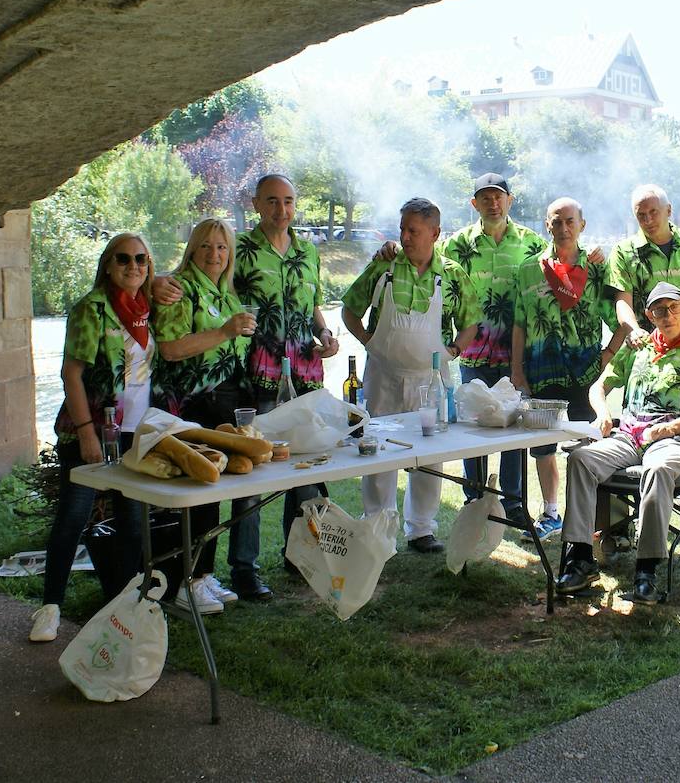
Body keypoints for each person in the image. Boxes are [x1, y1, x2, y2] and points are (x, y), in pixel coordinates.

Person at [155, 174, 339, 599]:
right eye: (272, 201)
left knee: (305, 463)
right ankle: (244, 568)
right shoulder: (239, 249)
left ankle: (301, 555)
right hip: (253, 376)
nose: (282, 210)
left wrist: (325, 334)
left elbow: (313, 307)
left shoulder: (309, 250)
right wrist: (156, 281)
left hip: (305, 373)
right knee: (251, 468)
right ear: (257, 204)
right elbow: (203, 277)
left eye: (289, 201)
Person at [556, 282, 680, 605]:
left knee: (658, 468)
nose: (667, 316)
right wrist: (603, 413)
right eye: (659, 310)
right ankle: (580, 558)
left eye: (674, 307)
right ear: (649, 315)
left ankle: (646, 570)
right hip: (629, 436)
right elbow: (599, 386)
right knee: (581, 459)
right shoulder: (638, 348)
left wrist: (670, 428)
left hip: (676, 439)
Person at [29, 234, 151, 642]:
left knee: (133, 522)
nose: (133, 266)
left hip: (134, 432)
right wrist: (85, 432)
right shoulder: (91, 309)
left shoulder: (147, 310)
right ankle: (50, 609)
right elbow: (71, 373)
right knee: (73, 518)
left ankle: (123, 603)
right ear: (107, 264)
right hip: (93, 430)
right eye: (123, 259)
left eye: (141, 259)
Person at [342, 197, 478, 553]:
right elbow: (349, 309)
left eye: (413, 231)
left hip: (430, 381)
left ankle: (421, 530)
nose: (404, 237)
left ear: (434, 233)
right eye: (402, 228)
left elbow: (471, 321)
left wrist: (455, 350)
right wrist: (367, 340)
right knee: (379, 450)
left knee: (430, 454)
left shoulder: (451, 274)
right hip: (383, 377)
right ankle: (378, 529)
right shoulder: (384, 267)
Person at [153, 218, 256, 614]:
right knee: (197, 494)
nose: (215, 254)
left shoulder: (224, 292)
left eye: (222, 247)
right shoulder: (181, 290)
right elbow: (171, 348)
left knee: (212, 492)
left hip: (223, 403)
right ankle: (182, 582)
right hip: (190, 404)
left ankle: (203, 574)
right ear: (192, 250)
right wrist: (227, 332)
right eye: (207, 246)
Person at [510, 198, 628, 542]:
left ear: (582, 225)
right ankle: (550, 514)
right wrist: (518, 370)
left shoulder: (598, 269)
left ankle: (595, 520)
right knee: (542, 448)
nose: (563, 228)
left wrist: (608, 355)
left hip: (585, 376)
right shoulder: (530, 269)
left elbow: (620, 316)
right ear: (547, 225)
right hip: (541, 373)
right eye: (556, 222)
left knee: (590, 447)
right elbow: (519, 323)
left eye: (570, 221)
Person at [441, 173, 546, 524]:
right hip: (473, 352)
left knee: (515, 425)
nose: (493, 203)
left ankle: (513, 502)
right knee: (476, 424)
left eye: (498, 196)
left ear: (510, 200)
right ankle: (475, 498)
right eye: (484, 197)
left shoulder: (532, 244)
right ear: (475, 204)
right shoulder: (457, 246)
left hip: (516, 353)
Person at [609, 184, 680, 349]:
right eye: (641, 215)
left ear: (669, 210)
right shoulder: (624, 252)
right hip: (649, 346)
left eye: (653, 212)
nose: (648, 220)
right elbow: (623, 300)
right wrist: (633, 331)